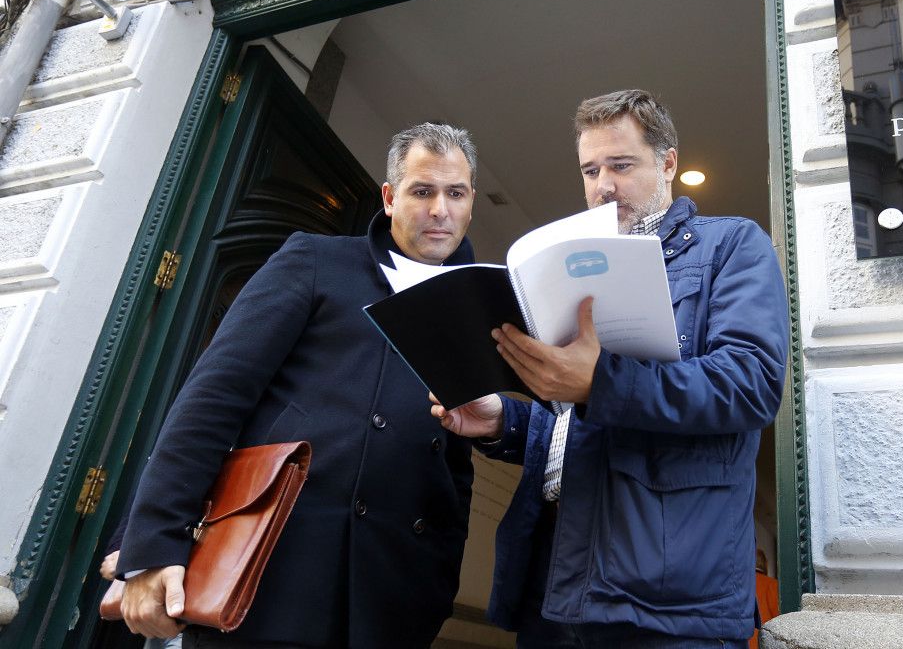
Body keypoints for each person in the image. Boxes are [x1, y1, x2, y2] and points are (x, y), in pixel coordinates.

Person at [432, 90, 789, 647]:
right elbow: (577, 428)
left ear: (668, 162)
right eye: (590, 170)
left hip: (666, 596)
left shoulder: (732, 246)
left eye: (621, 165)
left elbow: (751, 385)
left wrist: (600, 381)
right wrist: (506, 422)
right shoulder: (572, 262)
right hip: (553, 577)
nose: (603, 185)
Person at [118, 123, 480, 648]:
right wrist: (154, 540)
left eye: (456, 193)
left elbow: (456, 464)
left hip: (393, 596)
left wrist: (439, 580)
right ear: (389, 197)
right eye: (422, 191)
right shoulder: (316, 260)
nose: (440, 210)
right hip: (275, 575)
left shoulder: (474, 304)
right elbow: (214, 397)